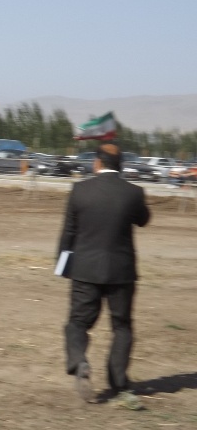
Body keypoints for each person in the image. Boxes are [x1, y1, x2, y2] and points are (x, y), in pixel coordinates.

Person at [57, 142, 151, 408]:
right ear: (121, 166)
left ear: (97, 163)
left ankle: (80, 362)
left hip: (84, 269)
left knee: (78, 323)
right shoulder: (134, 192)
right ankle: (119, 383)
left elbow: (68, 232)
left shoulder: (80, 190)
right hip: (121, 271)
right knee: (122, 327)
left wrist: (63, 267)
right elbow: (143, 220)